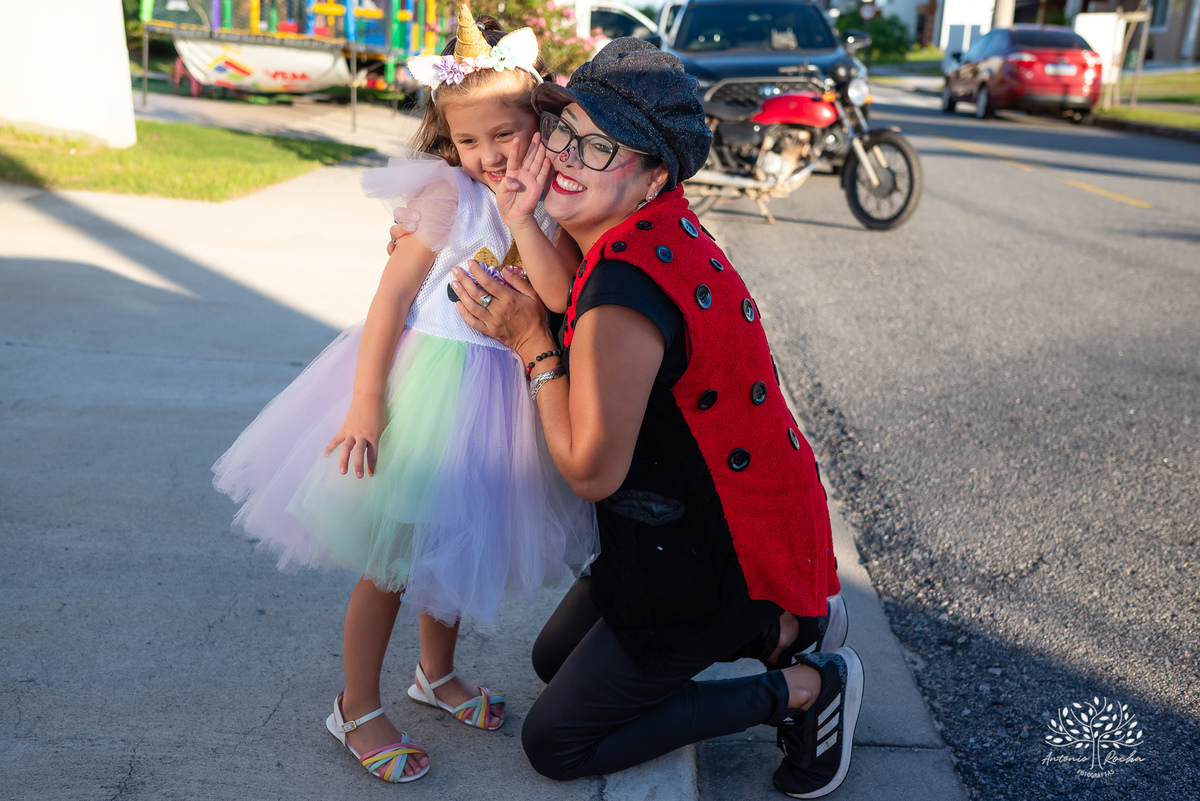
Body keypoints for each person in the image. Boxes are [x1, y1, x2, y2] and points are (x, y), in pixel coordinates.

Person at [442, 38, 864, 799]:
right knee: (550, 662)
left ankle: (803, 688)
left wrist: (530, 343)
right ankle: (783, 630)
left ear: (653, 176)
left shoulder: (624, 297)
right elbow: (572, 289)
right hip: (705, 523)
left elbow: (592, 469)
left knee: (557, 740)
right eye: (564, 128)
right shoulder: (650, 233)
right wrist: (521, 214)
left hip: (705, 554)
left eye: (599, 146)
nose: (564, 155)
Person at [211, 4, 597, 784]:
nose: (487, 153)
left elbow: (554, 297)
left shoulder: (545, 200)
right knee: (392, 556)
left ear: (537, 122)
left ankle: (434, 672)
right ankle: (353, 704)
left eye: (503, 134)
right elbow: (388, 303)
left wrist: (526, 212)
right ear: (447, 140)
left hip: (500, 394)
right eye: (468, 139)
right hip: (425, 386)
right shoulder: (445, 197)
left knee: (455, 535)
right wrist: (365, 404)